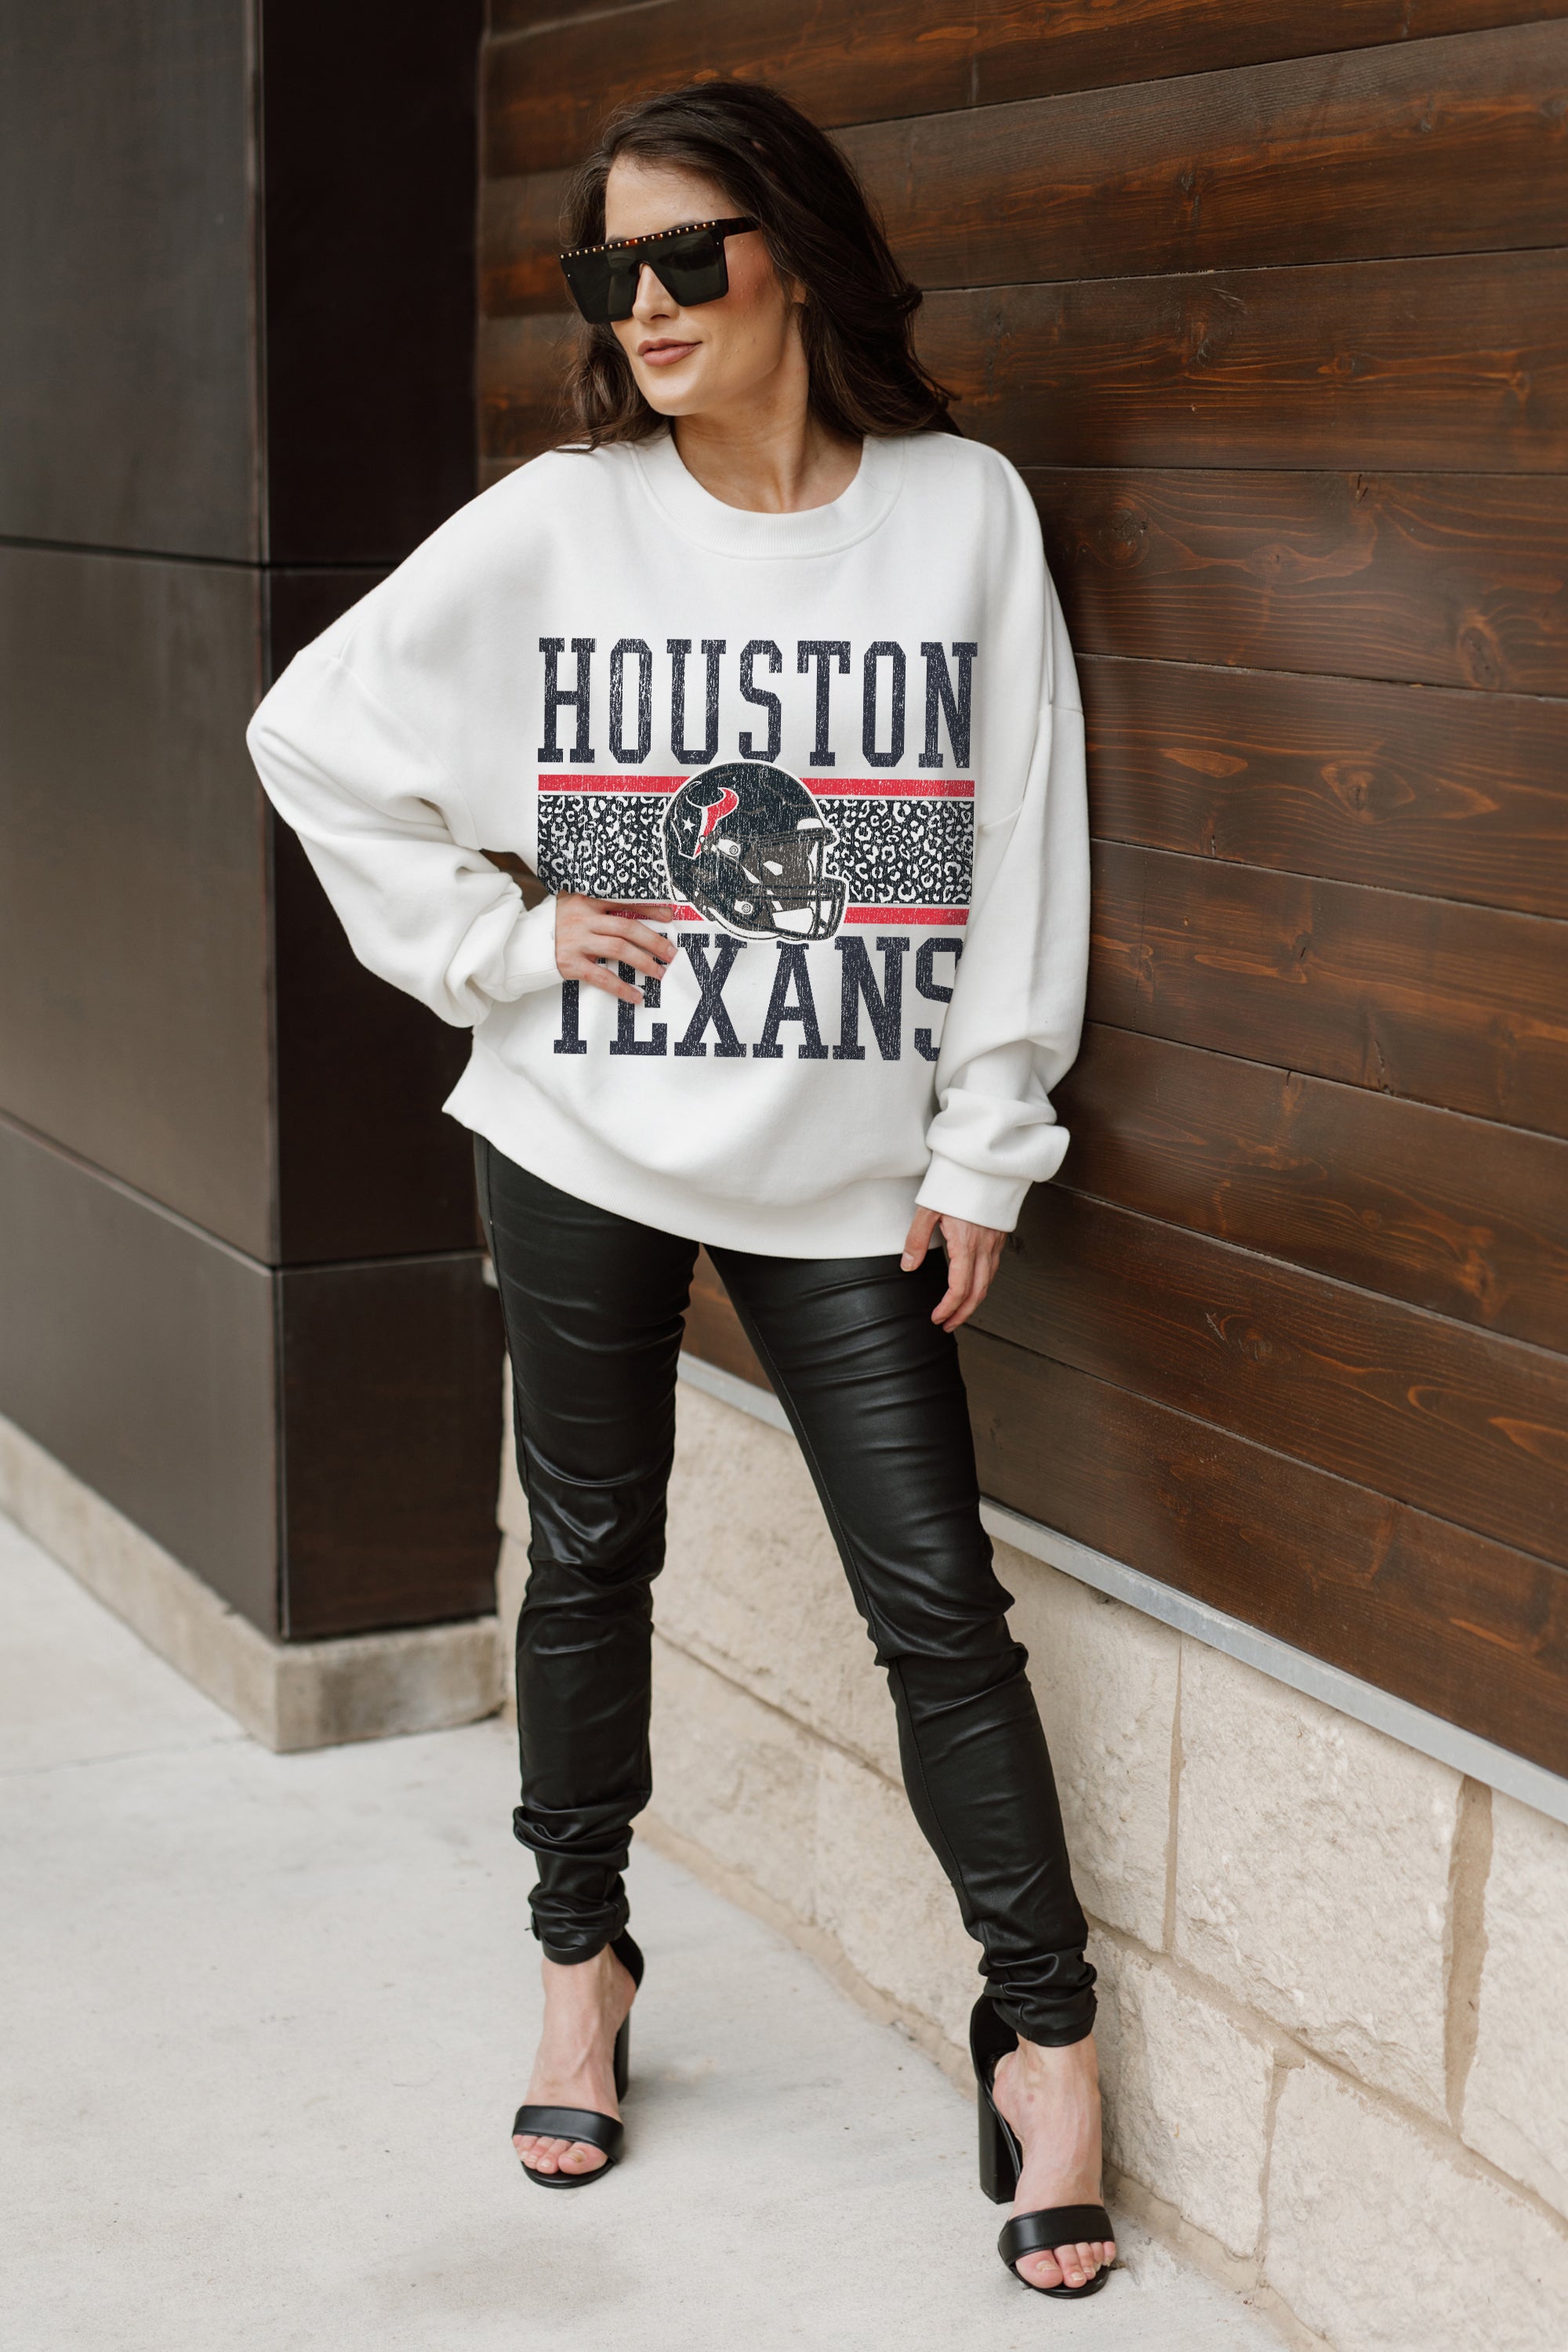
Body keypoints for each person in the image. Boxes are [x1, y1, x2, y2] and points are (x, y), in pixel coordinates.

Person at [246, 77, 1113, 2300]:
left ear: (792, 257)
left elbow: (1023, 838)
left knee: (938, 1603)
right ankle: (582, 1972)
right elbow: (311, 734)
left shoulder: (962, 512)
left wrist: (988, 1138)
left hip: (855, 1171)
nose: (638, 304)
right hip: (584, 1136)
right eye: (601, 270)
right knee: (589, 1563)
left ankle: (1046, 2042)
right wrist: (504, 939)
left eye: (683, 257)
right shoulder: (566, 519)